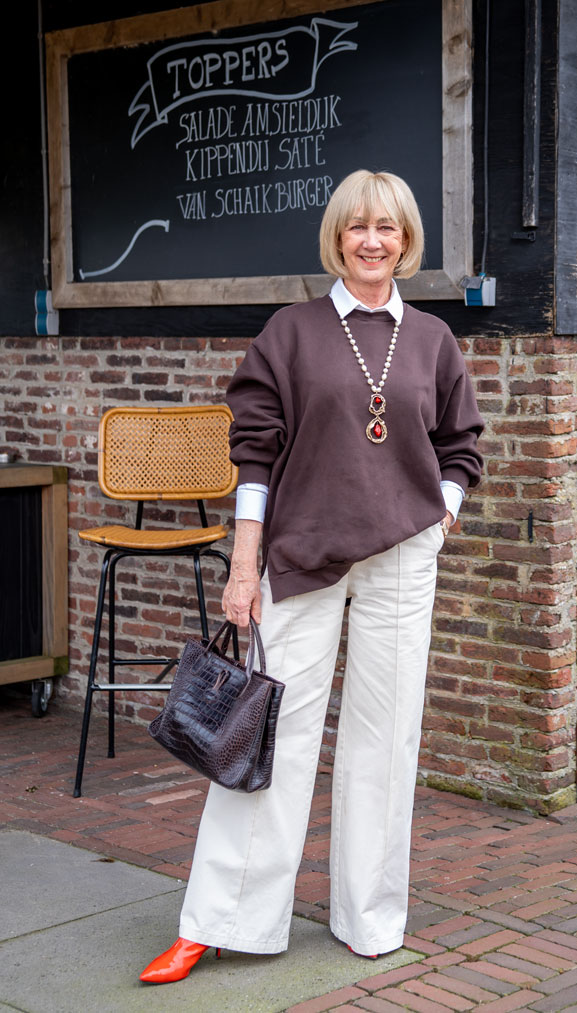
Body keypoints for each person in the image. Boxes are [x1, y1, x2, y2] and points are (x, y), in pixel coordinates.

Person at [139, 170, 484, 984]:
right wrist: (244, 560)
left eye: (389, 229)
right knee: (269, 738)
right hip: (299, 557)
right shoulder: (291, 332)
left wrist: (439, 510)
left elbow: (461, 441)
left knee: (385, 739)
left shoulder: (431, 338)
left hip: (401, 557)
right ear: (337, 237)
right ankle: (221, 919)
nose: (373, 241)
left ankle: (370, 917)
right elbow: (253, 452)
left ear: (406, 242)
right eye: (358, 226)